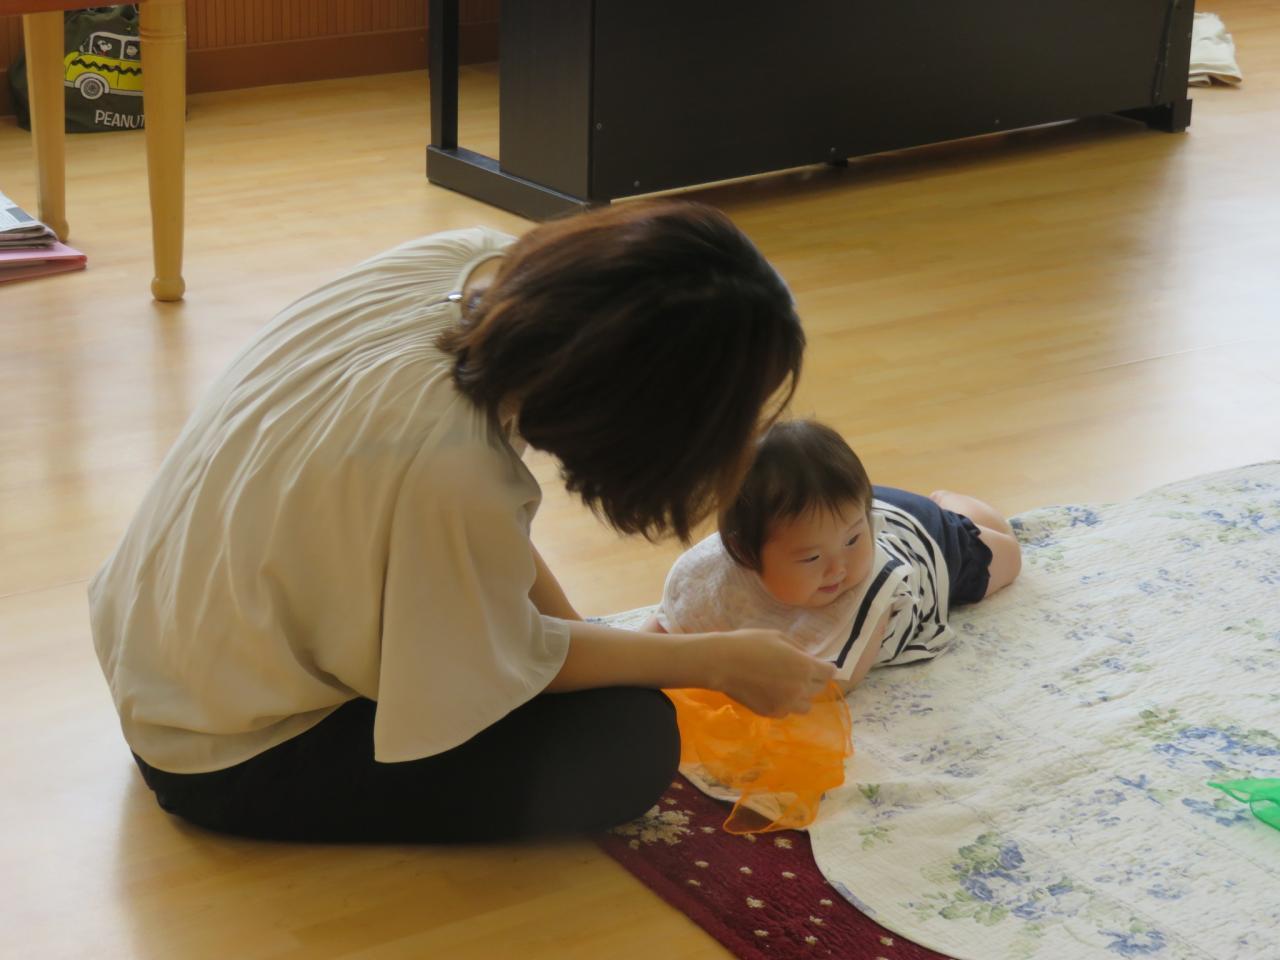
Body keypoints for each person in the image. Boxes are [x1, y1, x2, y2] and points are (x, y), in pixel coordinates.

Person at [88, 201, 836, 843]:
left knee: (607, 680)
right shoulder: (451, 470)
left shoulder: (464, 262)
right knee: (630, 741)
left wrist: (591, 640)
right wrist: (714, 661)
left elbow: (474, 553)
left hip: (156, 650)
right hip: (220, 749)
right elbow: (499, 658)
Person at [654, 419, 1022, 692]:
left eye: (853, 543)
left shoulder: (873, 585)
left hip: (927, 537)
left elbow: (836, 683)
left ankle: (950, 504)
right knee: (838, 531)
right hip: (847, 516)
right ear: (742, 552)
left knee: (1006, 553)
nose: (837, 569)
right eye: (811, 559)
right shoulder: (717, 569)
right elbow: (663, 630)